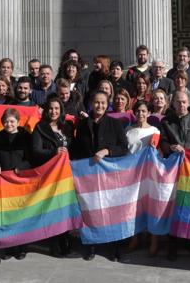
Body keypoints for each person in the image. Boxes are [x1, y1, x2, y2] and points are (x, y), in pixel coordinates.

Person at [72, 91, 130, 262]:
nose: (100, 106)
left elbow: (124, 148)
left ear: (108, 104)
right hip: (87, 176)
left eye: (103, 103)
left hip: (109, 176)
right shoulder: (82, 124)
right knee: (90, 210)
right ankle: (91, 245)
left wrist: (107, 151)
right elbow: (76, 148)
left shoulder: (115, 123)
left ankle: (114, 246)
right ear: (91, 103)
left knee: (111, 210)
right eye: (96, 103)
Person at [159, 91, 190, 261]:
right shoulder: (166, 121)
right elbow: (162, 141)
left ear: (189, 102)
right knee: (174, 206)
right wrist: (170, 147)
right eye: (178, 102)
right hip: (173, 168)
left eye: (184, 101)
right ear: (173, 104)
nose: (181, 105)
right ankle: (173, 244)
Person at [31, 95, 75, 257]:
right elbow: (35, 151)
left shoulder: (67, 127)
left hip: (67, 175)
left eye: (57, 108)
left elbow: (74, 147)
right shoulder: (40, 127)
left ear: (61, 110)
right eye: (50, 108)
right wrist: (53, 152)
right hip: (50, 176)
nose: (54, 111)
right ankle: (55, 242)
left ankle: (65, 238)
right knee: (53, 209)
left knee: (65, 208)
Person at [0, 108, 33, 261]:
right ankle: (8, 246)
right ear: (2, 122)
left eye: (12, 121)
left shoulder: (26, 137)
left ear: (18, 122)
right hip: (2, 182)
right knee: (6, 215)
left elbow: (32, 158)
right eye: (6, 121)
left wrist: (21, 167)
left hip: (20, 181)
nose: (9, 124)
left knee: (21, 214)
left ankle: (21, 247)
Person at [125, 100, 161, 256]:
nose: (141, 114)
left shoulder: (155, 131)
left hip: (150, 174)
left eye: (144, 111)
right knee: (133, 207)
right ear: (134, 112)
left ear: (148, 113)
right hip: (132, 174)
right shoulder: (128, 130)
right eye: (138, 111)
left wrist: (155, 150)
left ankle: (154, 241)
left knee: (151, 207)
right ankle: (135, 238)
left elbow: (159, 153)